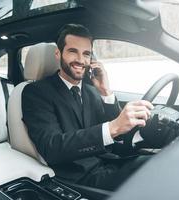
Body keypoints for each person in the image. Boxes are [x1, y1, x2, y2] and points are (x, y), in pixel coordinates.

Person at [22, 24, 154, 190]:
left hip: (108, 163)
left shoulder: (91, 91)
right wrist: (113, 127)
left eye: (86, 54)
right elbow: (52, 147)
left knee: (158, 161)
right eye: (72, 51)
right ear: (58, 53)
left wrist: (106, 92)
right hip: (77, 177)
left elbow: (117, 136)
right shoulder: (36, 93)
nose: (80, 60)